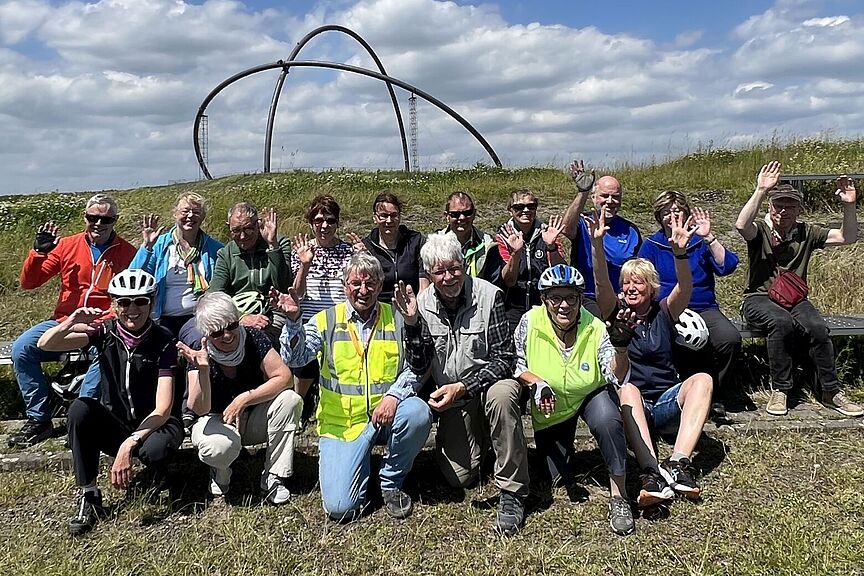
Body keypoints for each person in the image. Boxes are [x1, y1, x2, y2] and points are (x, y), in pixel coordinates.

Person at [274, 252, 432, 521]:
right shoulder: (326, 320)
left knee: (418, 413)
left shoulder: (396, 316)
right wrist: (293, 321)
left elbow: (416, 367)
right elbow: (296, 358)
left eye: (370, 284)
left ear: (380, 286)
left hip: (387, 416)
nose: (363, 290)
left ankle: (390, 481)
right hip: (343, 425)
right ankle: (356, 468)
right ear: (344, 285)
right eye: (356, 284)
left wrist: (394, 396)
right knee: (340, 508)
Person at [396, 232, 528, 536]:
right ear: (429, 274)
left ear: (464, 265)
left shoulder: (489, 295)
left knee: (504, 394)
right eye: (439, 271)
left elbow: (505, 359)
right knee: (459, 477)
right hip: (455, 402)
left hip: (487, 388)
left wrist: (465, 386)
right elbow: (418, 365)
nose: (448, 277)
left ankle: (512, 493)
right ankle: (493, 443)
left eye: (454, 268)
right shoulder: (421, 305)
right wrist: (413, 324)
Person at [37, 269, 183, 536]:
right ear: (114, 305)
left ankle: (162, 473)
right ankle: (89, 495)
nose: (132, 309)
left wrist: (128, 446)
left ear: (151, 302)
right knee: (80, 408)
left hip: (157, 424)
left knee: (155, 451)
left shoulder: (164, 342)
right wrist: (70, 322)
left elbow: (162, 409)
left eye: (140, 301)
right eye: (124, 302)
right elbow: (46, 345)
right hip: (119, 420)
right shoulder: (104, 333)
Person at [592, 207, 713, 501]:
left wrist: (680, 254)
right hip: (634, 408)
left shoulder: (664, 311)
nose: (631, 288)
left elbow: (685, 288)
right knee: (628, 388)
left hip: (666, 403)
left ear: (651, 287)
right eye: (626, 282)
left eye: (638, 282)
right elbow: (600, 284)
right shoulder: (615, 313)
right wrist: (596, 246)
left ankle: (679, 462)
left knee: (702, 380)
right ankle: (651, 472)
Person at [513, 264, 638, 535]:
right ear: (544, 299)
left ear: (581, 299)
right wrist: (537, 382)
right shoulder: (530, 321)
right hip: (552, 405)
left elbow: (616, 375)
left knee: (607, 418)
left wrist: (621, 348)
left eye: (571, 297)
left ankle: (619, 495)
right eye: (555, 298)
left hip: (589, 394)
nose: (564, 305)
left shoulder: (594, 326)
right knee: (557, 478)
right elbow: (517, 363)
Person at [735, 162, 863, 417]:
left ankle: (830, 391)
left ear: (798, 209)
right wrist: (761, 190)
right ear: (770, 208)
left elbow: (847, 237)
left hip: (794, 298)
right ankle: (780, 389)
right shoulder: (760, 230)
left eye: (790, 206)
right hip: (758, 298)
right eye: (778, 205)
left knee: (817, 327)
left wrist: (849, 206)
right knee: (780, 322)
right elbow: (741, 226)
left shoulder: (807, 232)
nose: (783, 210)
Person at [9, 193, 137, 448]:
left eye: (106, 219)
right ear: (85, 218)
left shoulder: (127, 253)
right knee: (22, 349)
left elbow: (128, 298)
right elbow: (29, 283)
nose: (99, 224)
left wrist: (101, 321)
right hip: (64, 321)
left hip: (102, 323)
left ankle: (82, 419)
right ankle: (39, 418)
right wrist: (37, 253)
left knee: (107, 353)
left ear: (115, 221)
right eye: (93, 218)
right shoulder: (67, 245)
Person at [177, 292, 302, 504]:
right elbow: (199, 408)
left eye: (232, 325)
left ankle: (274, 476)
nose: (227, 335)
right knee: (218, 448)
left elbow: (284, 377)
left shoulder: (253, 337)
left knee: (290, 400)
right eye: (217, 332)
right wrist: (203, 371)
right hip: (215, 419)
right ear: (206, 334)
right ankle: (220, 471)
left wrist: (245, 398)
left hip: (250, 415)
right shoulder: (200, 351)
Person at [638, 191, 742, 415]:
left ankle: (714, 395)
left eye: (677, 211)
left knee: (729, 339)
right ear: (659, 216)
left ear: (686, 214)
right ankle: (680, 394)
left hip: (705, 308)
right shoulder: (652, 245)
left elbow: (728, 266)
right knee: (677, 342)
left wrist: (709, 237)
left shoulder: (699, 243)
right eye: (666, 212)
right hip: (668, 309)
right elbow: (642, 278)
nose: (672, 216)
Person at [290, 195, 355, 403]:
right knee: (304, 342)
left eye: (330, 220)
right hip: (310, 319)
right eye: (318, 220)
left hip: (340, 319)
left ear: (337, 223)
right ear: (311, 223)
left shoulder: (348, 252)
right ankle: (299, 403)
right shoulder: (301, 251)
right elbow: (297, 295)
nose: (324, 226)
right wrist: (305, 265)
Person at [130, 192, 223, 337]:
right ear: (175, 214)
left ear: (203, 217)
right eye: (185, 211)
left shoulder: (215, 249)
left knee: (198, 341)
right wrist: (146, 247)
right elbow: (133, 278)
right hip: (162, 318)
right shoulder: (159, 244)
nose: (190, 216)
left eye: (196, 212)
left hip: (198, 318)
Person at [204, 202, 293, 347]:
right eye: (236, 231)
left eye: (248, 229)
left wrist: (272, 246)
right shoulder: (226, 254)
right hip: (236, 315)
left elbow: (283, 285)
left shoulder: (280, 243)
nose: (243, 236)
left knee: (261, 340)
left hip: (275, 311)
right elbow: (214, 294)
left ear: (258, 224)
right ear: (229, 228)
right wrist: (241, 317)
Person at [562, 160, 641, 317]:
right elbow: (565, 229)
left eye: (615, 197)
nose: (610, 201)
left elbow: (638, 270)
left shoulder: (631, 231)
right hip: (585, 299)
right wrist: (582, 192)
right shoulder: (584, 223)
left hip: (620, 301)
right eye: (604, 196)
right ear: (594, 197)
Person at [496, 188, 565, 331]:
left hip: (544, 306)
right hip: (513, 308)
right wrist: (516, 253)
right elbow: (509, 280)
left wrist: (551, 247)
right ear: (510, 210)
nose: (526, 210)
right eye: (519, 207)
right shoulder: (502, 237)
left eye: (531, 206)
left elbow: (561, 275)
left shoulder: (548, 233)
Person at [362, 191, 429, 303]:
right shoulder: (366, 246)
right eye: (383, 216)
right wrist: (362, 257)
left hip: (413, 305)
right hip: (380, 309)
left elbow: (424, 285)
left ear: (399, 217)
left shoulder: (416, 241)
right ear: (375, 218)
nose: (389, 221)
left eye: (393, 215)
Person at [438, 191, 502, 284]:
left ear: (474, 214)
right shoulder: (434, 244)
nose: (462, 218)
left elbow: (493, 283)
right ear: (447, 216)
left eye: (467, 213)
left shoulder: (489, 245)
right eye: (455, 214)